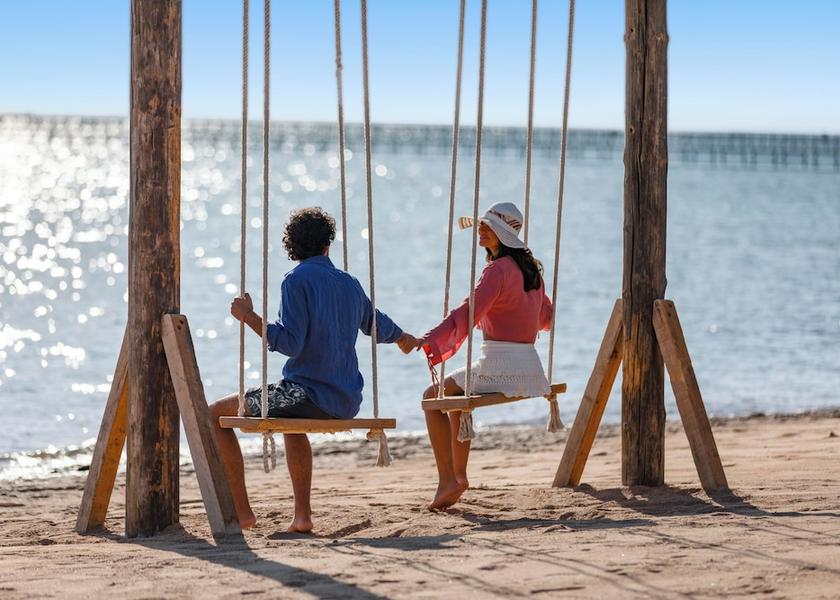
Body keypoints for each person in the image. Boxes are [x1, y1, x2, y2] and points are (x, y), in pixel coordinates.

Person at [210, 207, 418, 532]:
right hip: (346, 399)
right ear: (327, 246)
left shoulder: (295, 281)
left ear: (292, 247)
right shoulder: (349, 283)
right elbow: (375, 322)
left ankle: (243, 512)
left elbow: (290, 344)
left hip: (309, 395)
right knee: (293, 422)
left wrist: (249, 316)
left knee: (213, 413)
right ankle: (301, 517)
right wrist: (403, 338)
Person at [417, 202, 553, 510]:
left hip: (499, 366)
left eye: (488, 226)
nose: (480, 229)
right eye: (481, 224)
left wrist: (430, 339)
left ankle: (448, 479)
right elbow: (545, 319)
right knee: (457, 394)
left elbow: (468, 312)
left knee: (430, 398)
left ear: (503, 234)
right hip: (531, 369)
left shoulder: (497, 270)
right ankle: (459, 476)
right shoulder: (532, 271)